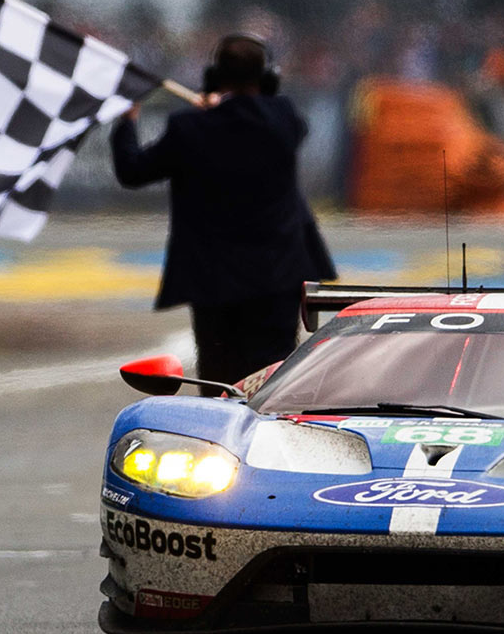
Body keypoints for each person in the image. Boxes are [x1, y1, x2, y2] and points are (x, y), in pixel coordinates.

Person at [111, 34, 336, 390]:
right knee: (275, 379)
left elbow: (133, 171)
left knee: (218, 379)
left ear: (216, 76)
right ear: (265, 78)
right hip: (277, 277)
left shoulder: (188, 127)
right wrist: (226, 107)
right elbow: (266, 115)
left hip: (214, 282)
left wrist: (127, 121)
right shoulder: (284, 119)